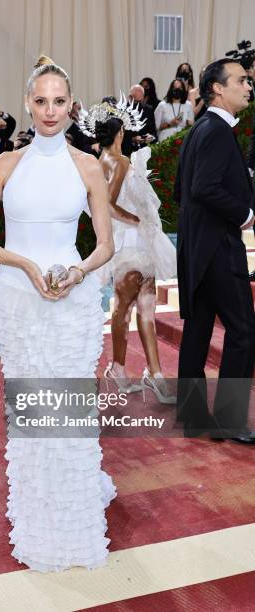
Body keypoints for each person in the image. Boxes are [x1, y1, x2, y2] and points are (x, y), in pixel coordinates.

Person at [0, 58, 117, 572]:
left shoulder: (88, 165)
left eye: (59, 101)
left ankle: (74, 517)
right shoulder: (7, 164)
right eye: (40, 101)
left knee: (68, 414)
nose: (50, 111)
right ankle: (37, 520)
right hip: (19, 300)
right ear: (27, 104)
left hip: (72, 304)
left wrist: (77, 273)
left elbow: (104, 245)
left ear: (71, 107)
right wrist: (26, 263)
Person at [174, 58, 255, 443]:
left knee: (198, 329)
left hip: (197, 247)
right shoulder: (218, 131)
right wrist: (245, 213)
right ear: (218, 89)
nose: (248, 85)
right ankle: (228, 419)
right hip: (220, 248)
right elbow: (204, 188)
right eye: (240, 80)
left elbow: (181, 191)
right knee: (243, 331)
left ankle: (193, 416)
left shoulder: (198, 129)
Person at [80, 99, 177, 401]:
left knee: (131, 309)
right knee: (135, 309)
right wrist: (134, 218)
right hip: (131, 244)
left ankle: (142, 371)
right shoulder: (119, 162)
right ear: (120, 132)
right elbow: (107, 205)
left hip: (129, 244)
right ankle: (136, 372)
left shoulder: (98, 163)